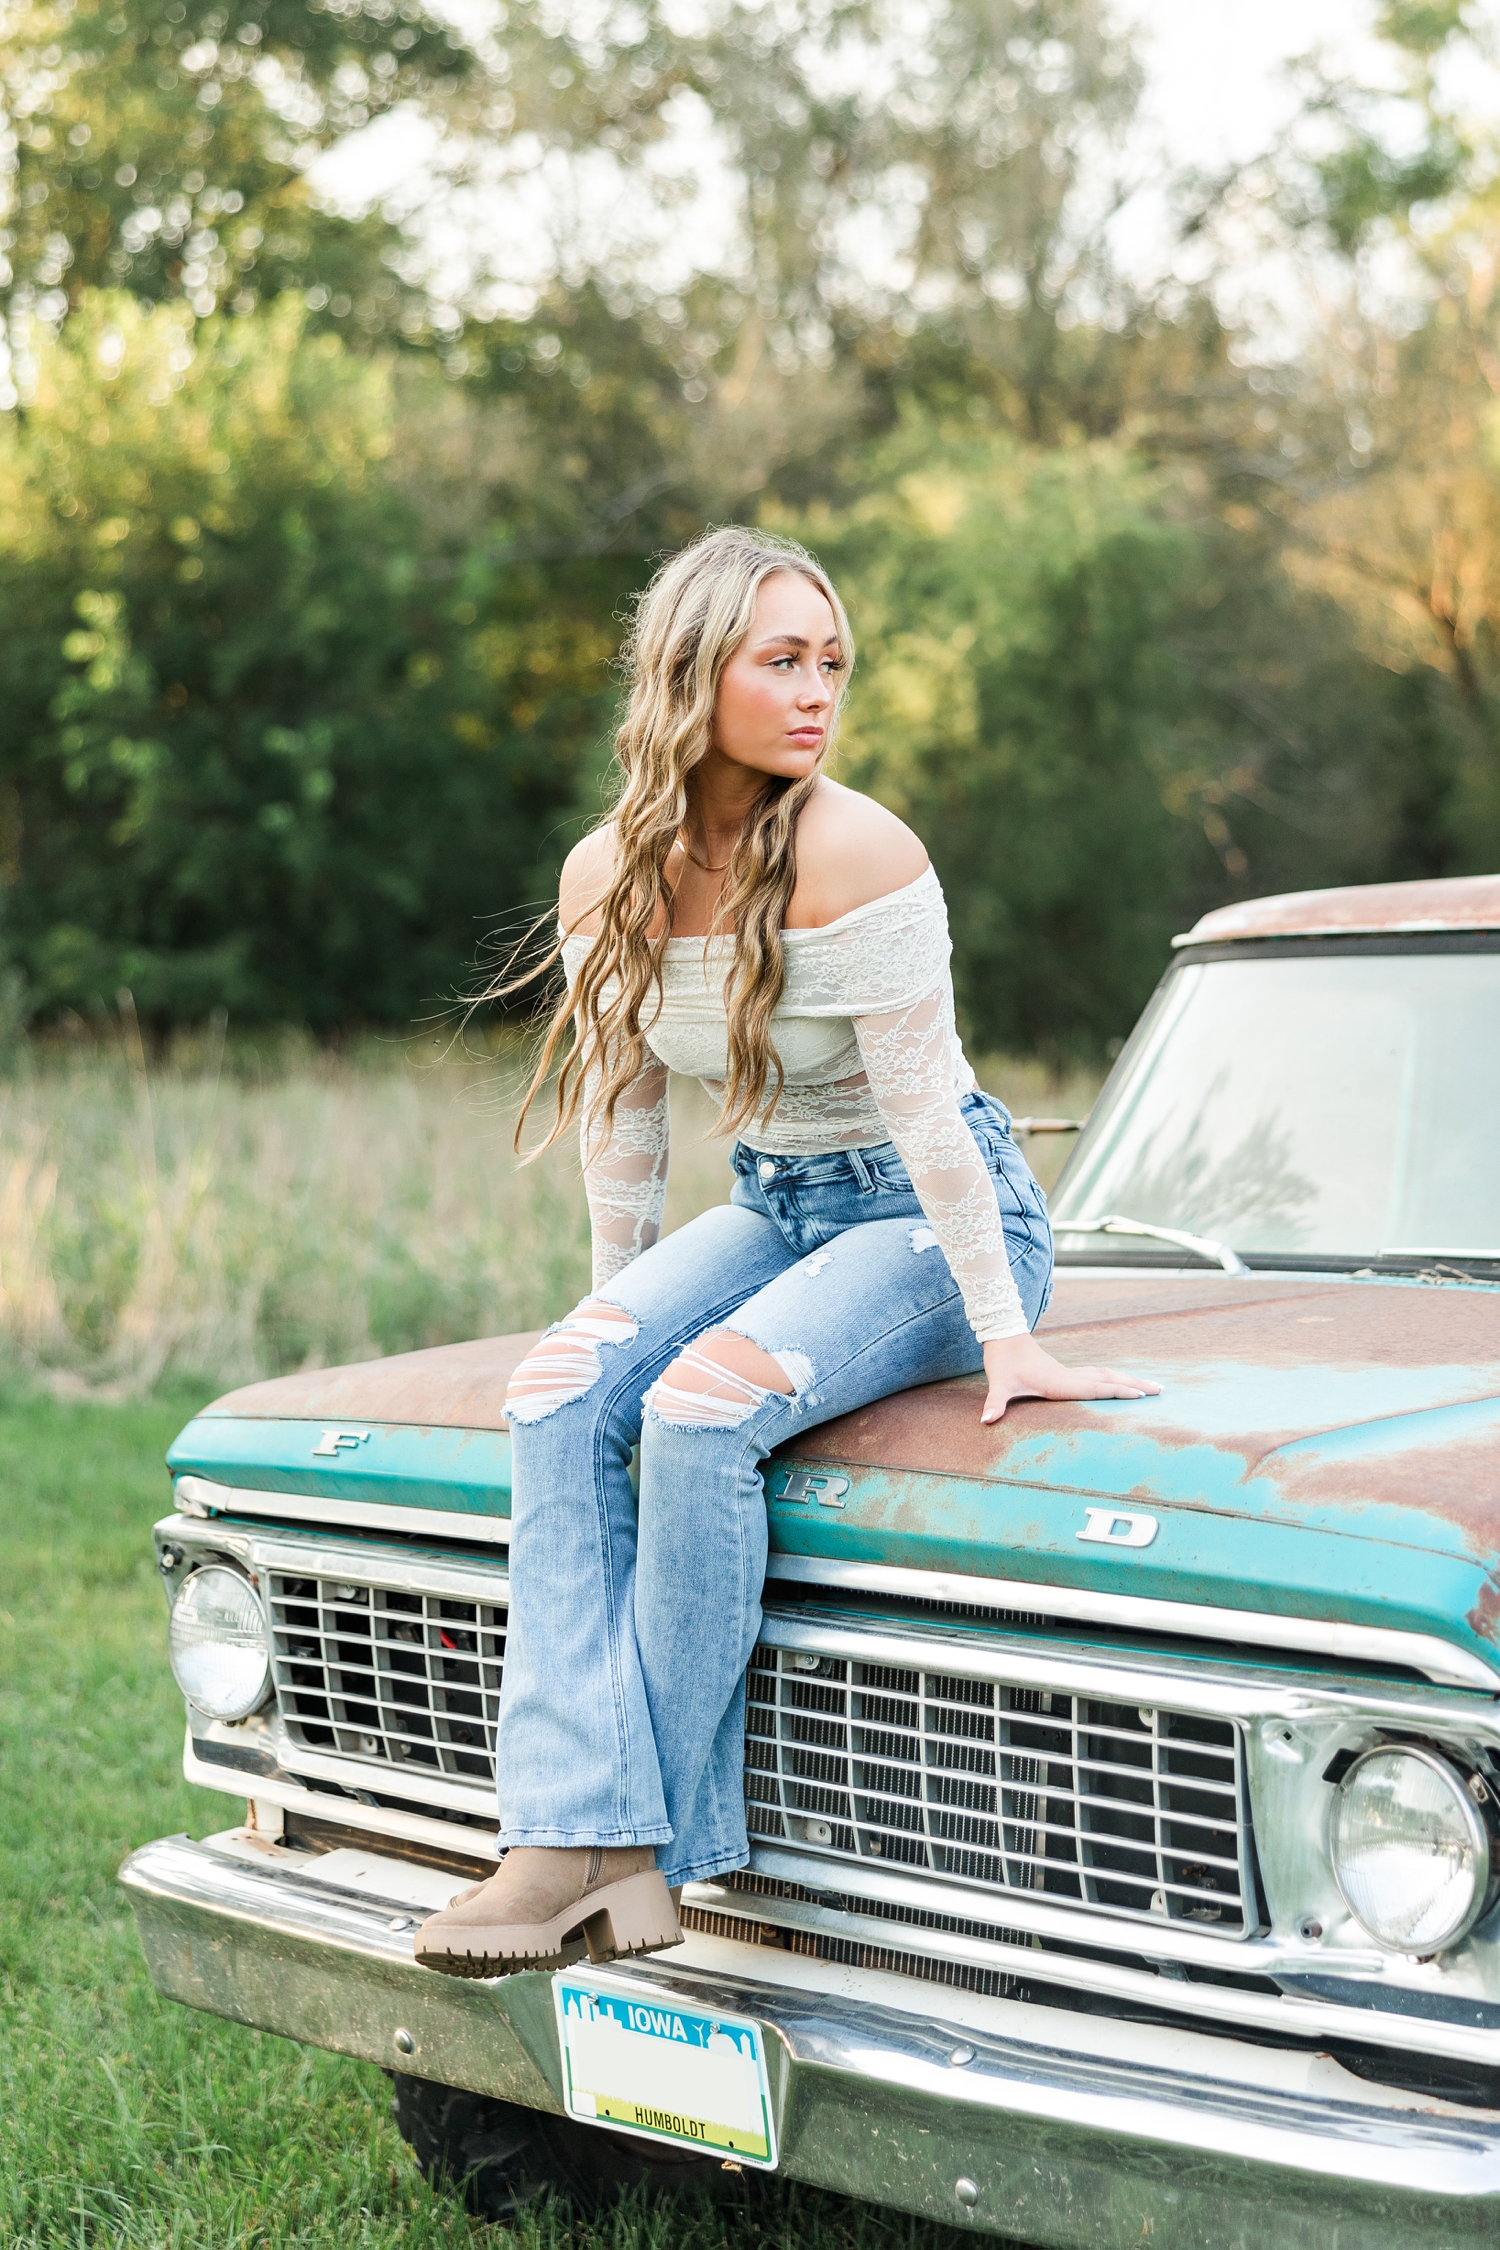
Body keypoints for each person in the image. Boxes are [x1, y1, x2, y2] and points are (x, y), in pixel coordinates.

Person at [415, 526, 1159, 1980]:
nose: (820, 689)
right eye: (784, 659)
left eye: (833, 660)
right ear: (692, 674)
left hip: (937, 1217)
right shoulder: (605, 874)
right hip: (776, 1200)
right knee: (558, 1393)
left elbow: (936, 1117)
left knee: (702, 1416)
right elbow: (623, 1119)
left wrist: (1005, 1328)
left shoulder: (861, 848)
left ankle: (631, 1845)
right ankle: (563, 1836)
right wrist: (611, 1307)